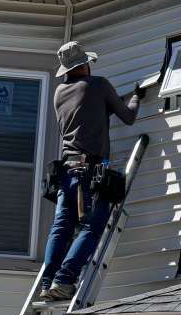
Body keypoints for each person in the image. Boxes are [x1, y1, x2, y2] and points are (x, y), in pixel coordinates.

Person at [40, 40, 145, 301]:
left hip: (65, 173)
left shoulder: (59, 93)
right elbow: (128, 117)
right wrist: (136, 97)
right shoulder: (99, 85)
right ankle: (64, 280)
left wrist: (106, 105)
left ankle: (47, 282)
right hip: (90, 171)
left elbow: (87, 114)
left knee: (61, 228)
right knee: (91, 226)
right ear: (84, 64)